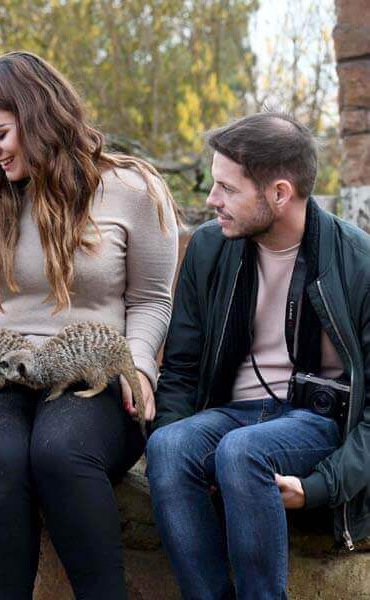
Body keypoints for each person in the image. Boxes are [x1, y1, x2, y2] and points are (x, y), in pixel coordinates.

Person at [0, 51, 179, 599]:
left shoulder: (134, 189)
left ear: (40, 118)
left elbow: (153, 300)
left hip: (92, 371)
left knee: (59, 451)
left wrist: (139, 373)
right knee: (1, 455)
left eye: (0, 134)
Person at [146, 112, 370, 600]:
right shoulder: (209, 249)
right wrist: (178, 455)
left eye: (227, 188)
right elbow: (180, 369)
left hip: (314, 421)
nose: (212, 201)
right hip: (234, 412)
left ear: (280, 193)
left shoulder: (357, 261)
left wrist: (320, 488)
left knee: (242, 451)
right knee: (167, 447)